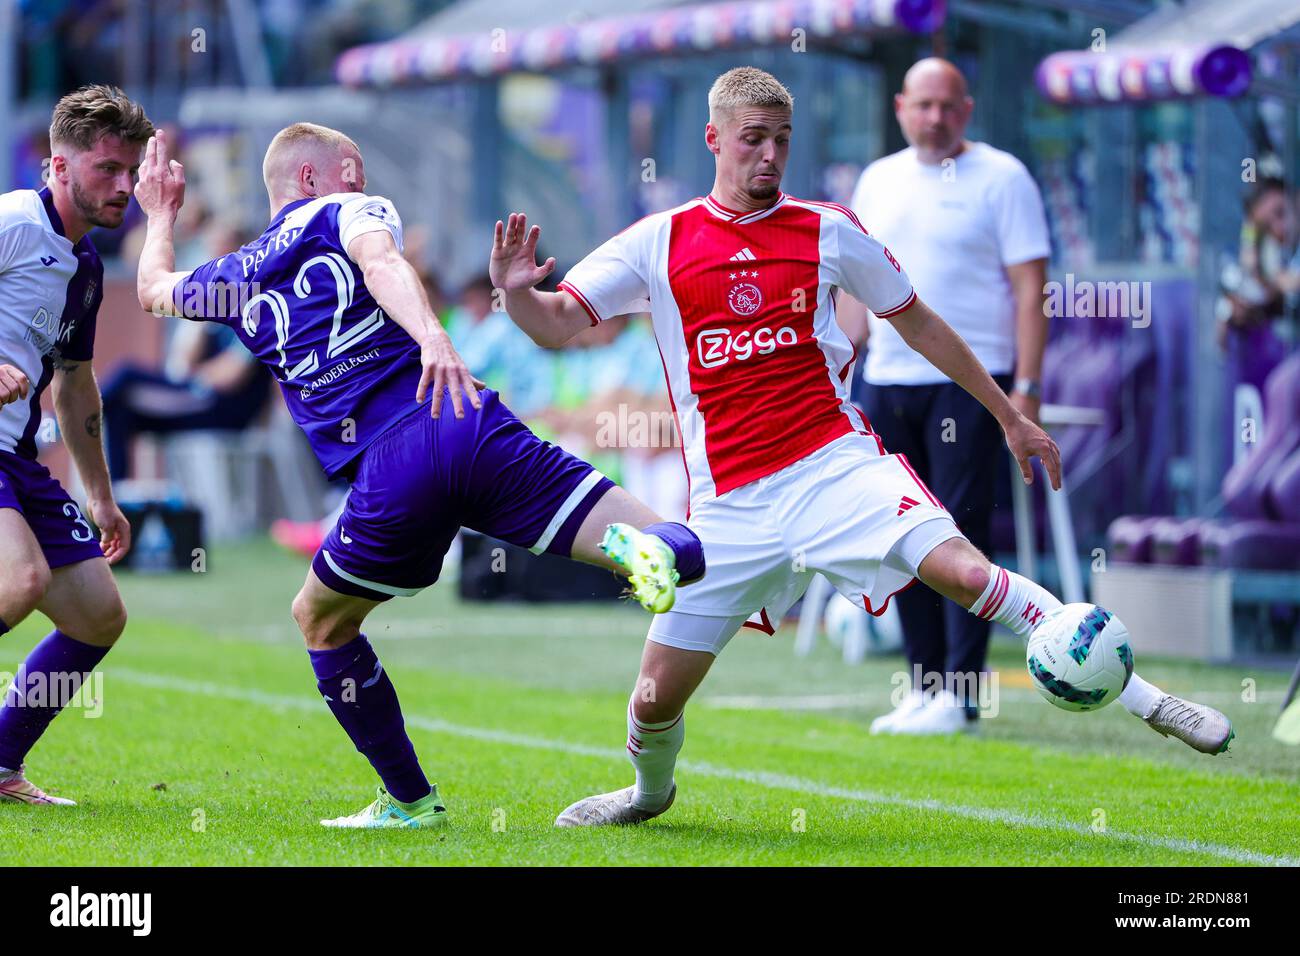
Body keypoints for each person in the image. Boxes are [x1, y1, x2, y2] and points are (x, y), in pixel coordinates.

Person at [488, 66, 1234, 829]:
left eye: (781, 140)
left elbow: (920, 324)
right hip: (729, 508)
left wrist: (1009, 414)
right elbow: (555, 324)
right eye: (752, 140)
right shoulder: (660, 240)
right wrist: (516, 291)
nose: (770, 156)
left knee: (964, 570)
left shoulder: (826, 230)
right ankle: (647, 794)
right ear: (714, 139)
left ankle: (1149, 701)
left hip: (834, 467)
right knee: (652, 699)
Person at [132, 122, 706, 829]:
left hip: (393, 469)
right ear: (311, 178)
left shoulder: (235, 273)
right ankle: (641, 552)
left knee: (320, 621)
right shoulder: (349, 211)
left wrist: (160, 213)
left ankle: (410, 801)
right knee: (675, 542)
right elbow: (380, 262)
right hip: (468, 421)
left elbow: (154, 289)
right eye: (355, 171)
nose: (366, 186)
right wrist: (434, 336)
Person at [843, 57, 1052, 734]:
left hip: (969, 380)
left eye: (947, 106)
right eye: (922, 105)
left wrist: (1025, 388)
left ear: (966, 109)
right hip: (888, 379)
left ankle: (961, 697)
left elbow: (1030, 290)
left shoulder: (1004, 177)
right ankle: (922, 683)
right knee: (899, 534)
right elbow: (853, 289)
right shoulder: (878, 179)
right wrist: (842, 370)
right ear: (901, 107)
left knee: (958, 529)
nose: (934, 118)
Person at [0, 85, 147, 804]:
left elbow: (75, 386)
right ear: (59, 167)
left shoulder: (83, 267)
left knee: (97, 616)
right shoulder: (12, 222)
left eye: (132, 171)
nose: (123, 186)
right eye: (105, 170)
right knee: (18, 581)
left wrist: (101, 494)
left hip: (16, 460)